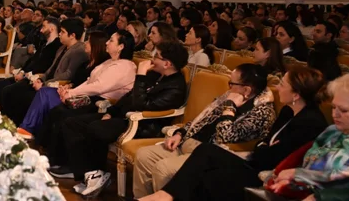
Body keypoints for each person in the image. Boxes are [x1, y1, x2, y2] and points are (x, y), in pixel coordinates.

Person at [140, 66, 328, 201]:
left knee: (209, 177)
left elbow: (271, 157)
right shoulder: (288, 111)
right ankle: (164, 196)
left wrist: (263, 146)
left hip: (268, 173)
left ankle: (164, 196)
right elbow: (265, 144)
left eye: (283, 83)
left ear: (296, 94)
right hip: (255, 159)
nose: (277, 87)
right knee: (206, 152)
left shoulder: (310, 122)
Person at [49, 41, 189, 196]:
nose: (152, 59)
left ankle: (96, 173)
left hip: (142, 124)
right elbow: (128, 97)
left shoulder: (176, 86)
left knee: (96, 128)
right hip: (122, 116)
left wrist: (141, 76)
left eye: (157, 56)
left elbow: (141, 105)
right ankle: (91, 173)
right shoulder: (156, 74)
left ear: (167, 63)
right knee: (72, 123)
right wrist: (111, 112)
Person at [132, 63, 277, 198]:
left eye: (232, 83)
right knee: (144, 155)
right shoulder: (229, 96)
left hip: (210, 154)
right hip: (190, 142)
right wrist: (180, 133)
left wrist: (230, 107)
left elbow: (225, 135)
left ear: (247, 90)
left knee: (162, 168)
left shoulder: (261, 113)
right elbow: (200, 120)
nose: (228, 87)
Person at [264, 74, 349, 200]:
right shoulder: (332, 131)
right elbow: (307, 161)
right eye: (333, 107)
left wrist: (297, 175)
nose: (334, 114)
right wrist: (291, 183)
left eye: (343, 110)